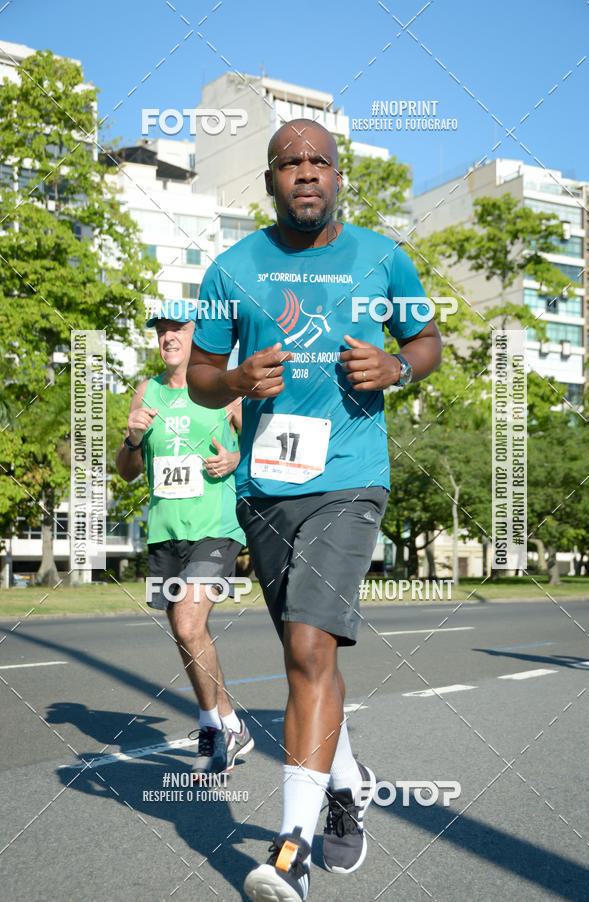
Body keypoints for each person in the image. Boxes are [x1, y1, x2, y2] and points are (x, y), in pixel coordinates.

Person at [187, 120, 442, 902]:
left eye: (318, 162)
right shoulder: (233, 269)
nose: (305, 173)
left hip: (350, 477)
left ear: (338, 177)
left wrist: (396, 365)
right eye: (289, 164)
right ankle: (343, 780)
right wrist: (235, 383)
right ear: (269, 181)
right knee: (312, 663)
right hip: (266, 487)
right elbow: (199, 373)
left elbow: (428, 339)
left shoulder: (382, 256)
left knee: (307, 648)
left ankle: (291, 849)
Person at [115, 300, 253, 776]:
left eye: (179, 328)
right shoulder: (146, 391)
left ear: (198, 334)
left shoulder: (226, 388)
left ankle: (212, 729)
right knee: (185, 630)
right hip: (165, 531)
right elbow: (128, 472)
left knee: (189, 624)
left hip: (215, 526)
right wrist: (132, 440)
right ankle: (232, 721)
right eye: (161, 330)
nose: (168, 337)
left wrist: (237, 461)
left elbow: (262, 451)